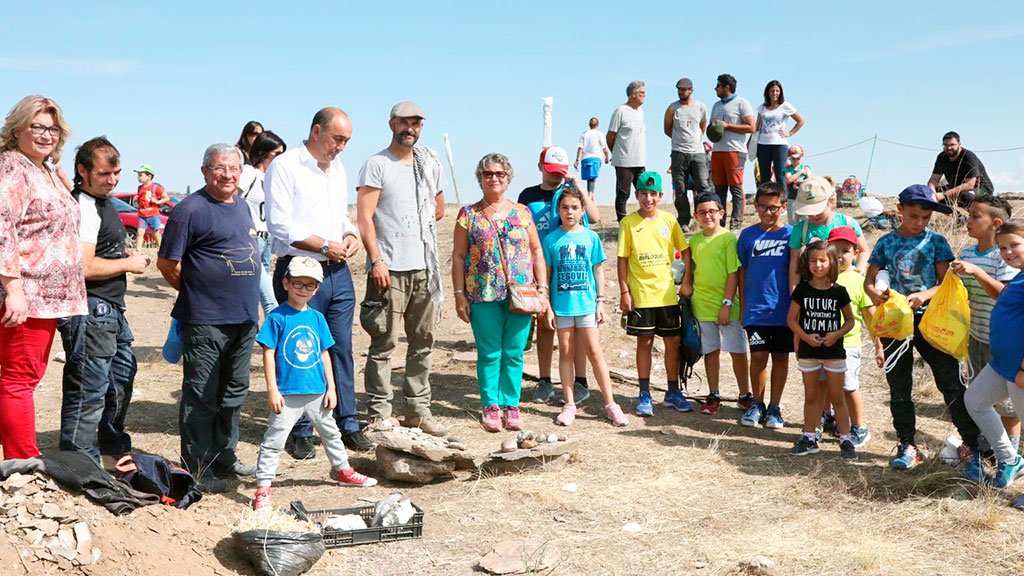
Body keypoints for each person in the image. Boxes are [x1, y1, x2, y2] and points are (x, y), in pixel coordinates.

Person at [265, 107, 372, 458]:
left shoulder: (337, 169)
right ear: (316, 131)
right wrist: (325, 244)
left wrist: (349, 233)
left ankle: (348, 422)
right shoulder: (286, 165)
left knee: (340, 346)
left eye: (347, 141)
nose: (341, 147)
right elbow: (280, 225)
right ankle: (300, 429)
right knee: (299, 348)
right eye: (337, 139)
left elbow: (339, 215)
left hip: (338, 272)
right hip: (299, 269)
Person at [156, 143, 260, 493]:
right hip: (205, 321)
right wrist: (196, 292)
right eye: (219, 168)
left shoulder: (243, 206)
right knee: (202, 395)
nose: (227, 175)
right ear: (204, 171)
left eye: (233, 168)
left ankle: (225, 456)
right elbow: (167, 264)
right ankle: (198, 466)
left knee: (233, 394)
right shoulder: (190, 209)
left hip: (244, 321)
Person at [864, 184, 982, 472]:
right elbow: (868, 281)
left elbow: (944, 284)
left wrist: (923, 296)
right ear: (900, 211)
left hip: (933, 323)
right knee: (900, 387)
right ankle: (908, 445)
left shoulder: (936, 242)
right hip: (896, 323)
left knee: (951, 383)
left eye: (926, 218)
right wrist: (875, 294)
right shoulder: (885, 243)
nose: (920, 223)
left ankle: (971, 445)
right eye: (914, 216)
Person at [252, 257, 378, 510]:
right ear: (285, 283)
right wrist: (272, 390)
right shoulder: (277, 317)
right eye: (298, 283)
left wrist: (331, 388)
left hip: (317, 392)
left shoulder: (318, 318)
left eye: (310, 286)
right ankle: (263, 488)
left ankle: (344, 471)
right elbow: (268, 353)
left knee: (331, 432)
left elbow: (324, 354)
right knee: (274, 439)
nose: (303, 290)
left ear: (317, 288)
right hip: (287, 394)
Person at [0, 95, 86, 460]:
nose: (46, 134)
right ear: (17, 129)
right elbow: (2, 227)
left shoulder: (43, 169)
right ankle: (23, 463)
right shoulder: (12, 168)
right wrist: (13, 289)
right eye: (37, 126)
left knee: (25, 377)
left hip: (49, 298)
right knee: (19, 379)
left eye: (53, 128)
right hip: (27, 294)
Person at [356, 101, 447, 435]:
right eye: (405, 123)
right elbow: (364, 217)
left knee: (423, 342)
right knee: (384, 344)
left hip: (424, 267)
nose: (411, 129)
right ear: (392, 123)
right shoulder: (377, 165)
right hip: (389, 269)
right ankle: (380, 412)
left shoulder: (429, 164)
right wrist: (377, 260)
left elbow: (437, 208)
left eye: (417, 124)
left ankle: (417, 410)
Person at [58, 137, 149, 460]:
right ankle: (79, 457)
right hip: (90, 309)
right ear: (82, 170)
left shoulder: (101, 201)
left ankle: (111, 447)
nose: (112, 180)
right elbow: (83, 266)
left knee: (121, 377)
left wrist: (120, 253)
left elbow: (97, 250)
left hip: (109, 308)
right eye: (104, 174)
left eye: (117, 173)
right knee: (90, 387)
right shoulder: (83, 204)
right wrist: (128, 263)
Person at [452, 153, 547, 432]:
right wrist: (459, 294)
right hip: (482, 294)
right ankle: (491, 406)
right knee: (490, 352)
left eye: (500, 174)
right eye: (488, 174)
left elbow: (537, 251)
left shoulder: (522, 212)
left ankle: (511, 405)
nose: (494, 178)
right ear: (480, 179)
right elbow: (458, 256)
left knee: (515, 352)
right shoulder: (468, 215)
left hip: (520, 294)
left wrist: (542, 289)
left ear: (508, 178)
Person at [518, 146, 600, 406]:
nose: (555, 178)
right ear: (541, 166)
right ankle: (544, 379)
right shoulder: (529, 195)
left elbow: (595, 217)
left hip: (568, 267)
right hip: (538, 267)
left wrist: (576, 182)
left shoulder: (570, 196)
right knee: (546, 324)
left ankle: (580, 381)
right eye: (551, 171)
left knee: (574, 328)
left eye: (560, 172)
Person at [541, 187, 628, 427]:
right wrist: (548, 307)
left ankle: (611, 404)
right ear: (558, 210)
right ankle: (569, 404)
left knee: (595, 351)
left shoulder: (591, 238)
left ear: (582, 211)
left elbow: (598, 270)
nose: (570, 212)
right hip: (562, 307)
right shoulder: (551, 240)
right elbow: (547, 277)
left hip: (587, 306)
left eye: (575, 208)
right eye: (565, 208)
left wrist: (601, 301)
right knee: (566, 353)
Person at [617, 172, 691, 417]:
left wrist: (687, 280)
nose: (648, 198)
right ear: (636, 196)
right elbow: (622, 260)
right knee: (644, 344)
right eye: (643, 194)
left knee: (673, 343)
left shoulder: (669, 221)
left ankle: (672, 392)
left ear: (661, 196)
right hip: (641, 296)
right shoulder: (628, 223)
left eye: (653, 194)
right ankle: (645, 393)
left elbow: (685, 251)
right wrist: (625, 291)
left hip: (667, 296)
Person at [950, 195, 1020, 453]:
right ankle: (994, 444)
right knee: (981, 393)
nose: (968, 221)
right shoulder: (968, 253)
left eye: (975, 216)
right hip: (977, 335)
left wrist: (976, 272)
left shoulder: (1005, 258)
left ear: (995, 223)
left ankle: (1011, 449)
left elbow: (1004, 294)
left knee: (1009, 405)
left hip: (1003, 343)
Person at [963, 220, 1024, 489]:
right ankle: (1009, 459)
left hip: (1020, 369)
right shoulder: (1019, 275)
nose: (1008, 252)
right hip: (1002, 365)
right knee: (975, 400)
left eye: (1014, 245)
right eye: (1002, 248)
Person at [787, 240, 856, 460]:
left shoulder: (839, 292)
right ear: (807, 264)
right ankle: (809, 436)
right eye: (813, 260)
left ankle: (846, 439)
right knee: (811, 397)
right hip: (809, 352)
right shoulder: (802, 290)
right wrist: (806, 337)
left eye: (823, 260)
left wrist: (836, 334)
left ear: (832, 262)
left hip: (833, 352)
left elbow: (850, 321)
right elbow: (792, 320)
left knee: (837, 397)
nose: (818, 265)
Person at [682, 192, 750, 415]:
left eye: (712, 211)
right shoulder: (695, 241)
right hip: (703, 306)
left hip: (728, 307)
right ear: (696, 216)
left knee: (737, 351)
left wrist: (727, 304)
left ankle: (744, 395)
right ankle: (714, 394)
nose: (707, 216)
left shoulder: (728, 239)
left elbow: (733, 273)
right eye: (702, 212)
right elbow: (691, 270)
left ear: (722, 213)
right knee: (711, 351)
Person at [737, 182, 792, 429]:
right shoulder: (747, 236)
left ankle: (775, 407)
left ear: (783, 206)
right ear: (755, 206)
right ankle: (756, 404)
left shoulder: (792, 235)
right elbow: (741, 271)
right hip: (756, 310)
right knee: (758, 356)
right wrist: (742, 305)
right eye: (763, 207)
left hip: (784, 310)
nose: (768, 212)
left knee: (780, 356)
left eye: (774, 207)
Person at [823, 226, 882, 448]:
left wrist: (879, 345)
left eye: (845, 250)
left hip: (848, 345)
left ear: (856, 253)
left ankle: (858, 426)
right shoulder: (820, 278)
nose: (839, 255)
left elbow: (870, 317)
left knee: (849, 387)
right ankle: (828, 421)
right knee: (825, 386)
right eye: (835, 249)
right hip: (821, 343)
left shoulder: (858, 281)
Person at [788, 177, 871, 292]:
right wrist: (794, 293)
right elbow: (794, 265)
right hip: (813, 290)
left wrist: (860, 268)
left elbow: (864, 251)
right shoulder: (801, 229)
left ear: (831, 201)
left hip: (846, 288)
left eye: (817, 211)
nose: (814, 216)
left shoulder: (848, 223)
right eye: (809, 213)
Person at [238, 130, 287, 316]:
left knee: (256, 294)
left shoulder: (273, 178)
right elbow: (232, 198)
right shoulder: (250, 172)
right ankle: (275, 343)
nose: (280, 159)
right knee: (270, 301)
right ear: (263, 152)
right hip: (252, 238)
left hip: (267, 241)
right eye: (277, 154)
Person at [709, 74, 756, 230]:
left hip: (735, 151)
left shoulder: (742, 103)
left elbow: (751, 127)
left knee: (735, 188)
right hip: (717, 151)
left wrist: (728, 126)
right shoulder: (716, 105)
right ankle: (720, 224)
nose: (715, 88)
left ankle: (736, 224)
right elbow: (712, 127)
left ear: (726, 87)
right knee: (719, 189)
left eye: (718, 85)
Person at [664, 77, 710, 232]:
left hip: (697, 152)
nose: (681, 92)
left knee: (703, 185)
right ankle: (684, 220)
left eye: (684, 90)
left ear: (691, 90)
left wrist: (694, 140)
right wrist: (679, 141)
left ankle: (704, 216)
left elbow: (703, 126)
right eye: (679, 90)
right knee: (680, 188)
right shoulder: (672, 108)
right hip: (678, 153)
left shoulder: (701, 107)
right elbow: (667, 129)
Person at [754, 80, 805, 190]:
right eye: (772, 91)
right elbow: (757, 127)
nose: (775, 93)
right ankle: (765, 202)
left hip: (779, 144)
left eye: (777, 91)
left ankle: (783, 204)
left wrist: (790, 133)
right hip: (762, 144)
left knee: (780, 175)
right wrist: (750, 141)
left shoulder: (785, 106)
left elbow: (800, 120)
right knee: (764, 177)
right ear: (768, 92)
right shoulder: (762, 108)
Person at [607, 81, 647, 222]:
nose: (644, 96)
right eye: (641, 93)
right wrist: (617, 153)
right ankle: (622, 223)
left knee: (645, 191)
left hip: (639, 160)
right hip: (624, 161)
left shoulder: (641, 112)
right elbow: (610, 136)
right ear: (633, 95)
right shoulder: (620, 111)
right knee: (623, 194)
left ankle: (646, 220)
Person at [927, 131, 993, 209]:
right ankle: (959, 217)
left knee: (965, 196)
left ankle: (974, 217)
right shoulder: (942, 157)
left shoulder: (968, 157)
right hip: (957, 188)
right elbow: (933, 180)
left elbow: (969, 184)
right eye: (945, 145)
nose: (948, 148)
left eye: (952, 145)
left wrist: (943, 195)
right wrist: (932, 194)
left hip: (979, 189)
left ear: (959, 144)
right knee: (925, 193)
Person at [133, 164, 169, 250]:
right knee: (140, 232)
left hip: (153, 214)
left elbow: (166, 198)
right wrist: (136, 199)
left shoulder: (156, 187)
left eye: (140, 175)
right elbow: (141, 201)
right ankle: (138, 250)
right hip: (142, 215)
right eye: (138, 175)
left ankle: (161, 249)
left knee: (155, 233)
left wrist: (157, 201)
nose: (138, 177)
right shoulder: (140, 188)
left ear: (149, 176)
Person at [574, 118, 610, 194]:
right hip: (595, 158)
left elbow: (580, 148)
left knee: (589, 180)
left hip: (585, 159)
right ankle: (590, 198)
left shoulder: (584, 134)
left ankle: (591, 197)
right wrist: (607, 158)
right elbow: (605, 149)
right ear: (598, 124)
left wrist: (577, 160)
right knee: (592, 180)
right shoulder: (599, 134)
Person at [782, 145, 811, 224]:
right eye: (793, 159)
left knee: (806, 221)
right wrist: (800, 172)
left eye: (798, 158)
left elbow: (810, 180)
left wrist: (804, 180)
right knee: (793, 221)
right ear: (789, 158)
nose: (796, 161)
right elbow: (788, 179)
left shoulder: (806, 167)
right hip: (792, 198)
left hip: (804, 198)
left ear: (802, 158)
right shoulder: (787, 169)